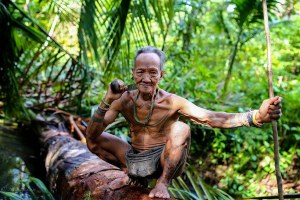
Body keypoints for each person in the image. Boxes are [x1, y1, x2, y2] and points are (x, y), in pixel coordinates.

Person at [86, 46, 282, 199]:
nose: (146, 78)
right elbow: (92, 136)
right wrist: (108, 98)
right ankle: (132, 175)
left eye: (153, 72)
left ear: (161, 75)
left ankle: (162, 183)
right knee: (94, 141)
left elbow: (211, 117)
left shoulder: (172, 102)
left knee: (181, 128)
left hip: (164, 162)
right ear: (133, 73)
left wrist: (256, 117)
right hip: (136, 159)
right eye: (140, 72)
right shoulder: (123, 99)